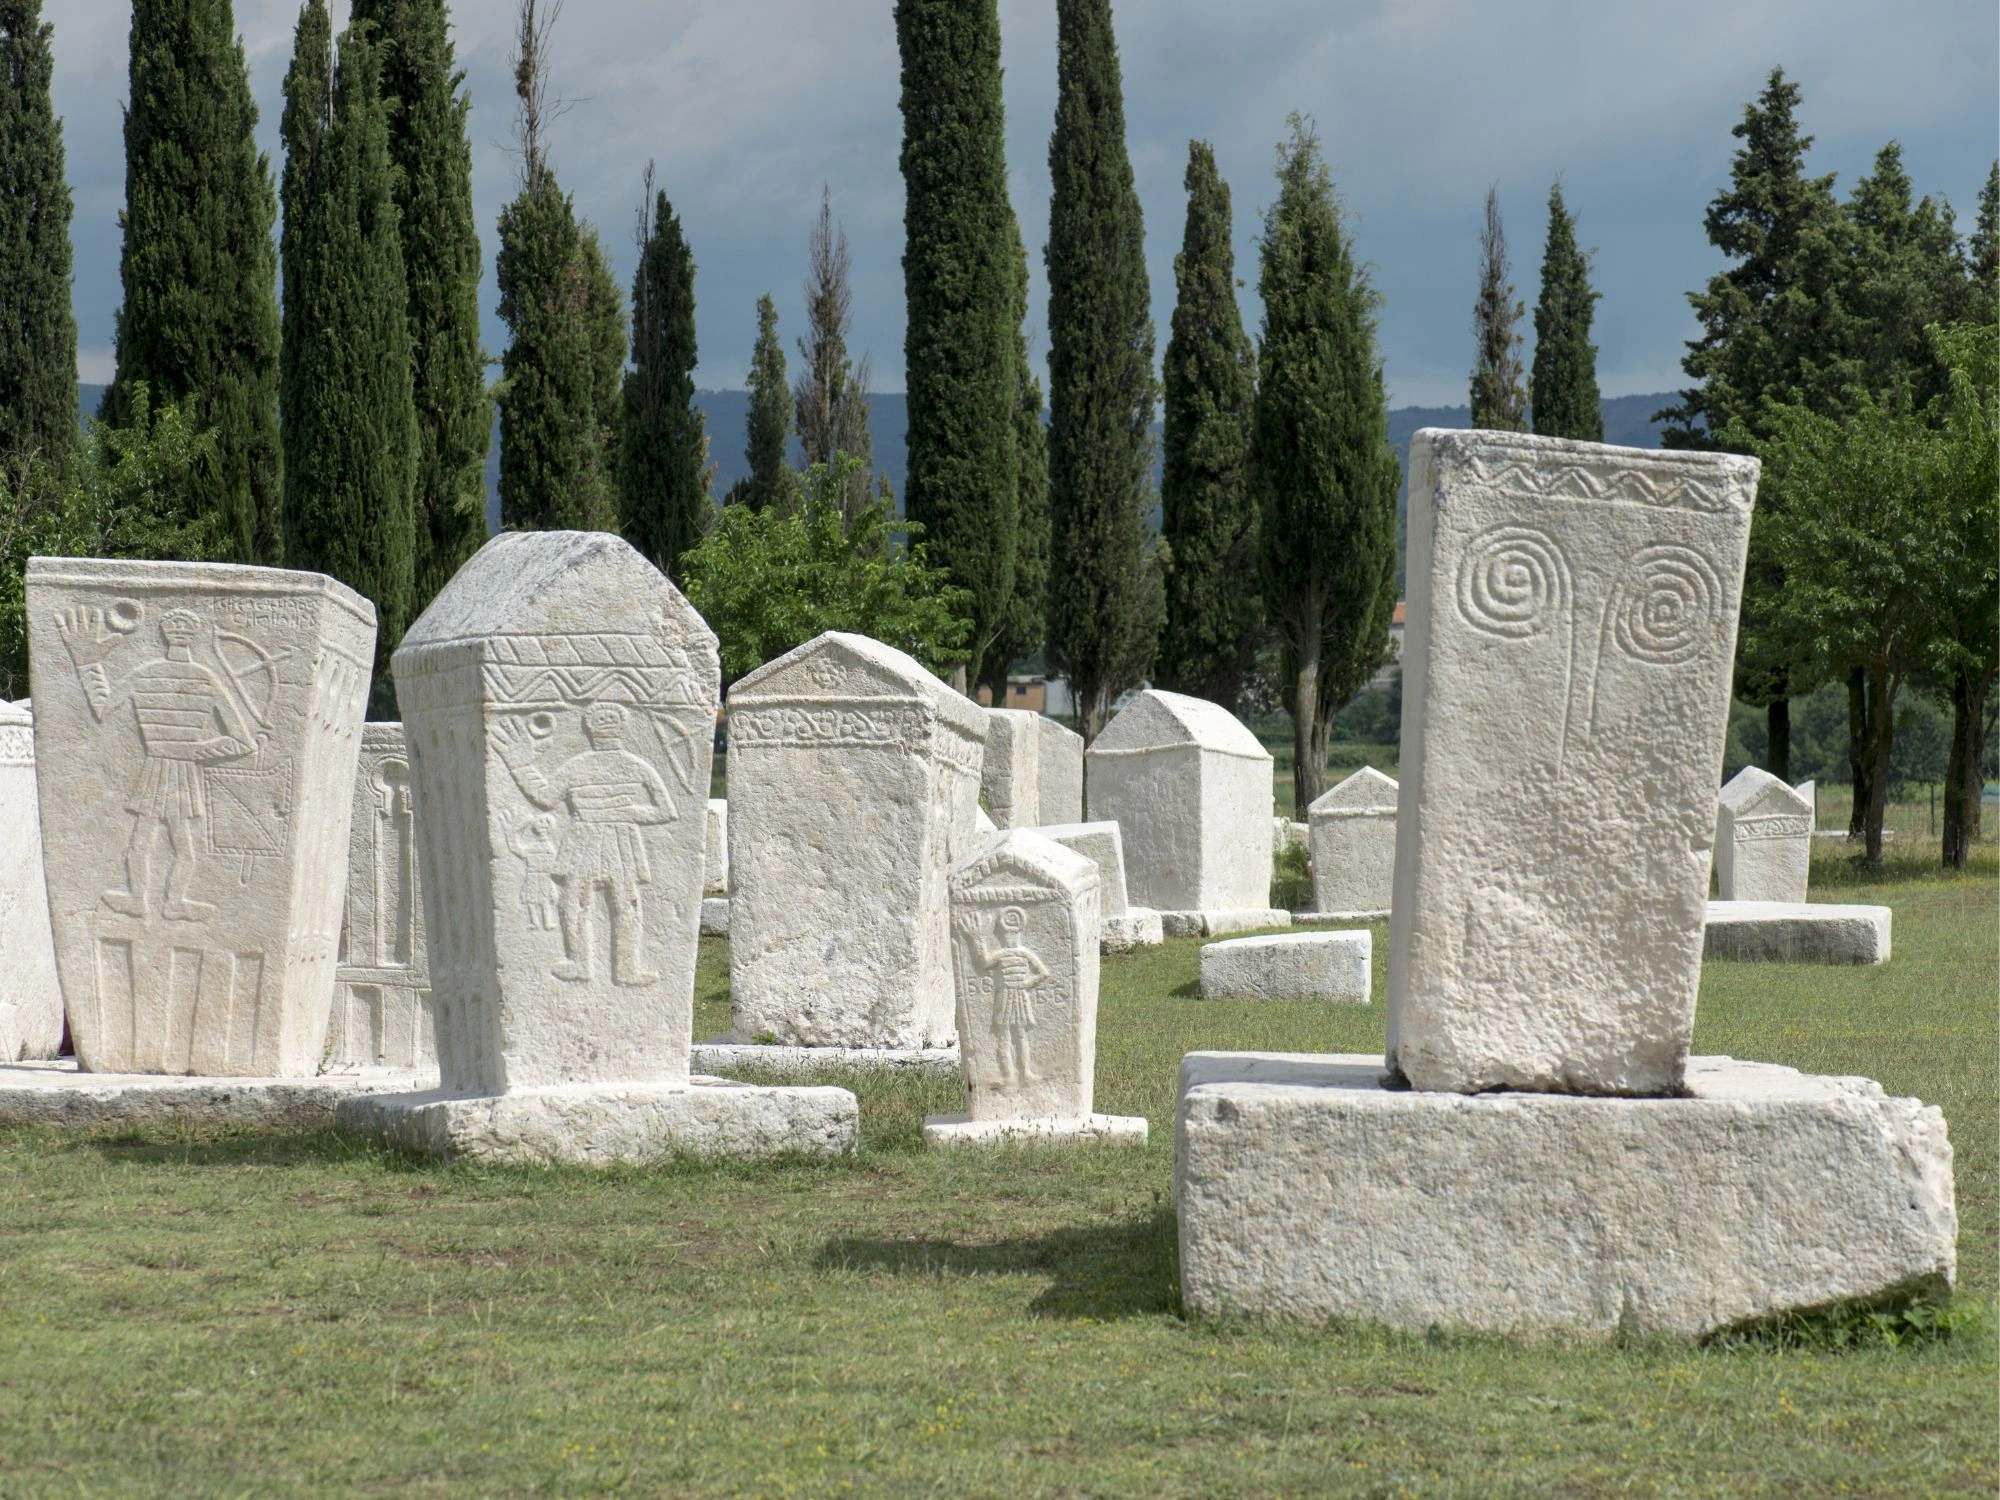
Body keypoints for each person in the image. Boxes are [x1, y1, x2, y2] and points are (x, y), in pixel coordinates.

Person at [496, 702, 676, 986]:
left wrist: (628, 812)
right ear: (591, 730)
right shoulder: (587, 766)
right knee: (575, 901)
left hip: (616, 838)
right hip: (585, 837)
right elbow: (546, 798)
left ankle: (627, 969)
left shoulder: (633, 766)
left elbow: (666, 810)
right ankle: (581, 965)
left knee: (623, 901)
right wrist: (520, 765)